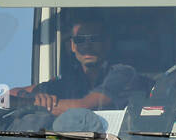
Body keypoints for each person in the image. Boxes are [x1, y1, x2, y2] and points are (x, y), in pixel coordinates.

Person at [9, 13, 138, 116]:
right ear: (72, 46)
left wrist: (34, 104)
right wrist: (29, 97)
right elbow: (7, 96)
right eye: (80, 40)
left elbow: (84, 106)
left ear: (107, 42)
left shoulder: (123, 73)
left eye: (94, 39)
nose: (87, 46)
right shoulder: (69, 80)